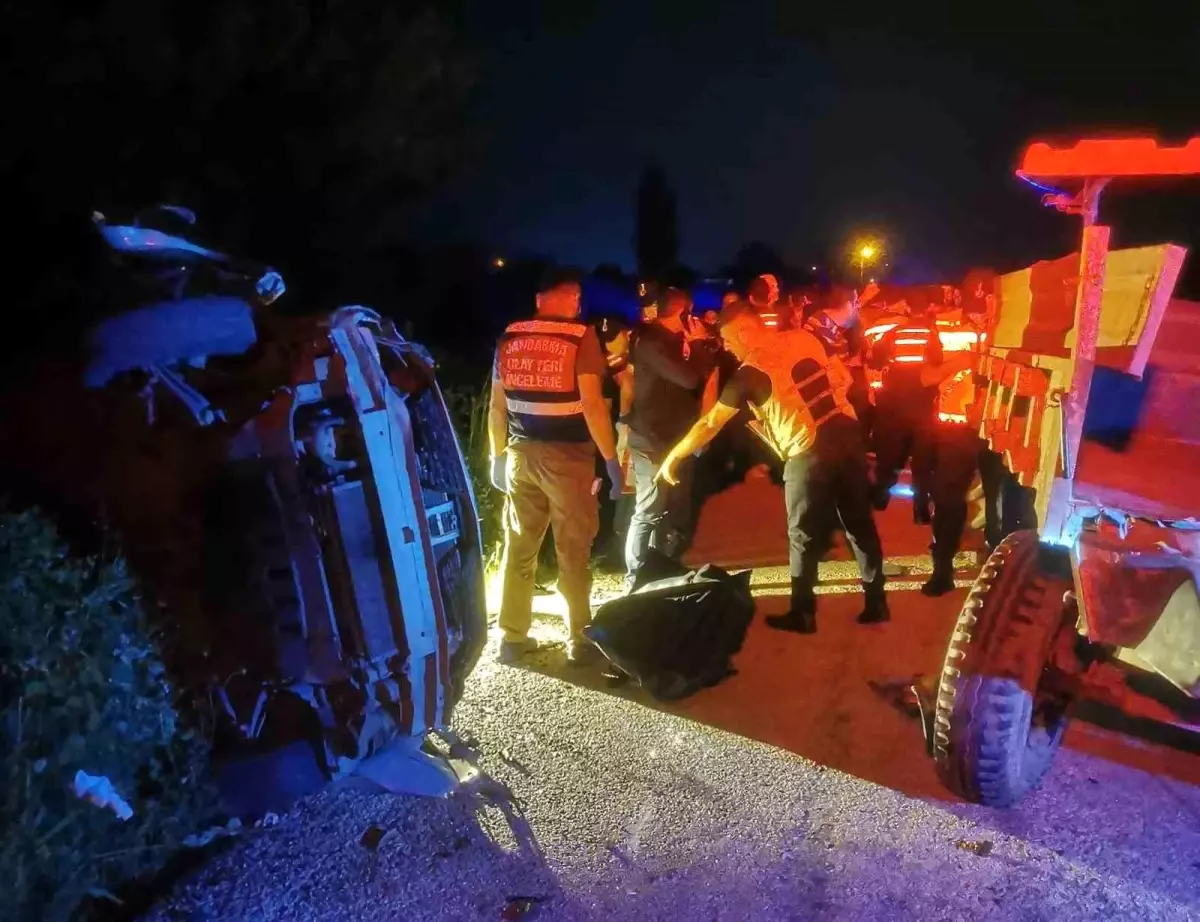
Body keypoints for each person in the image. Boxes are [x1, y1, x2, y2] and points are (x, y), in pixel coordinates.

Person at [657, 296, 887, 633]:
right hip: (848, 436)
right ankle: (876, 602)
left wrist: (673, 457)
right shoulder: (806, 338)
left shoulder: (750, 372)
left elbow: (709, 424)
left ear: (745, 331)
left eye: (730, 340)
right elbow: (843, 379)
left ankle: (803, 613)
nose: (730, 349)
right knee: (858, 523)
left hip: (808, 452)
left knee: (802, 535)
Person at [488, 269, 624, 664]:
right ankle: (580, 639)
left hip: (520, 453)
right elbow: (594, 406)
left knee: (519, 545)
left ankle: (511, 638)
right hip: (569, 458)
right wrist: (612, 461)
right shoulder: (581, 337)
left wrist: (497, 457)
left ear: (538, 299)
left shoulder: (509, 337)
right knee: (573, 546)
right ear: (574, 299)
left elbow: (497, 408)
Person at [624, 287, 716, 580]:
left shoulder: (675, 341)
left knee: (677, 509)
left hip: (678, 438)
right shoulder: (651, 342)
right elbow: (690, 378)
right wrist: (699, 341)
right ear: (682, 313)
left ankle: (664, 567)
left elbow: (704, 372)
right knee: (650, 510)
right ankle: (636, 575)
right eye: (691, 315)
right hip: (651, 440)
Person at [868, 291, 943, 517]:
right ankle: (920, 509)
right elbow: (937, 363)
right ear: (927, 309)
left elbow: (876, 360)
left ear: (908, 309)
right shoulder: (931, 334)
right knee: (922, 458)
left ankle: (880, 496)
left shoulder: (894, 333)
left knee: (890, 452)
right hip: (922, 401)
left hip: (895, 401)